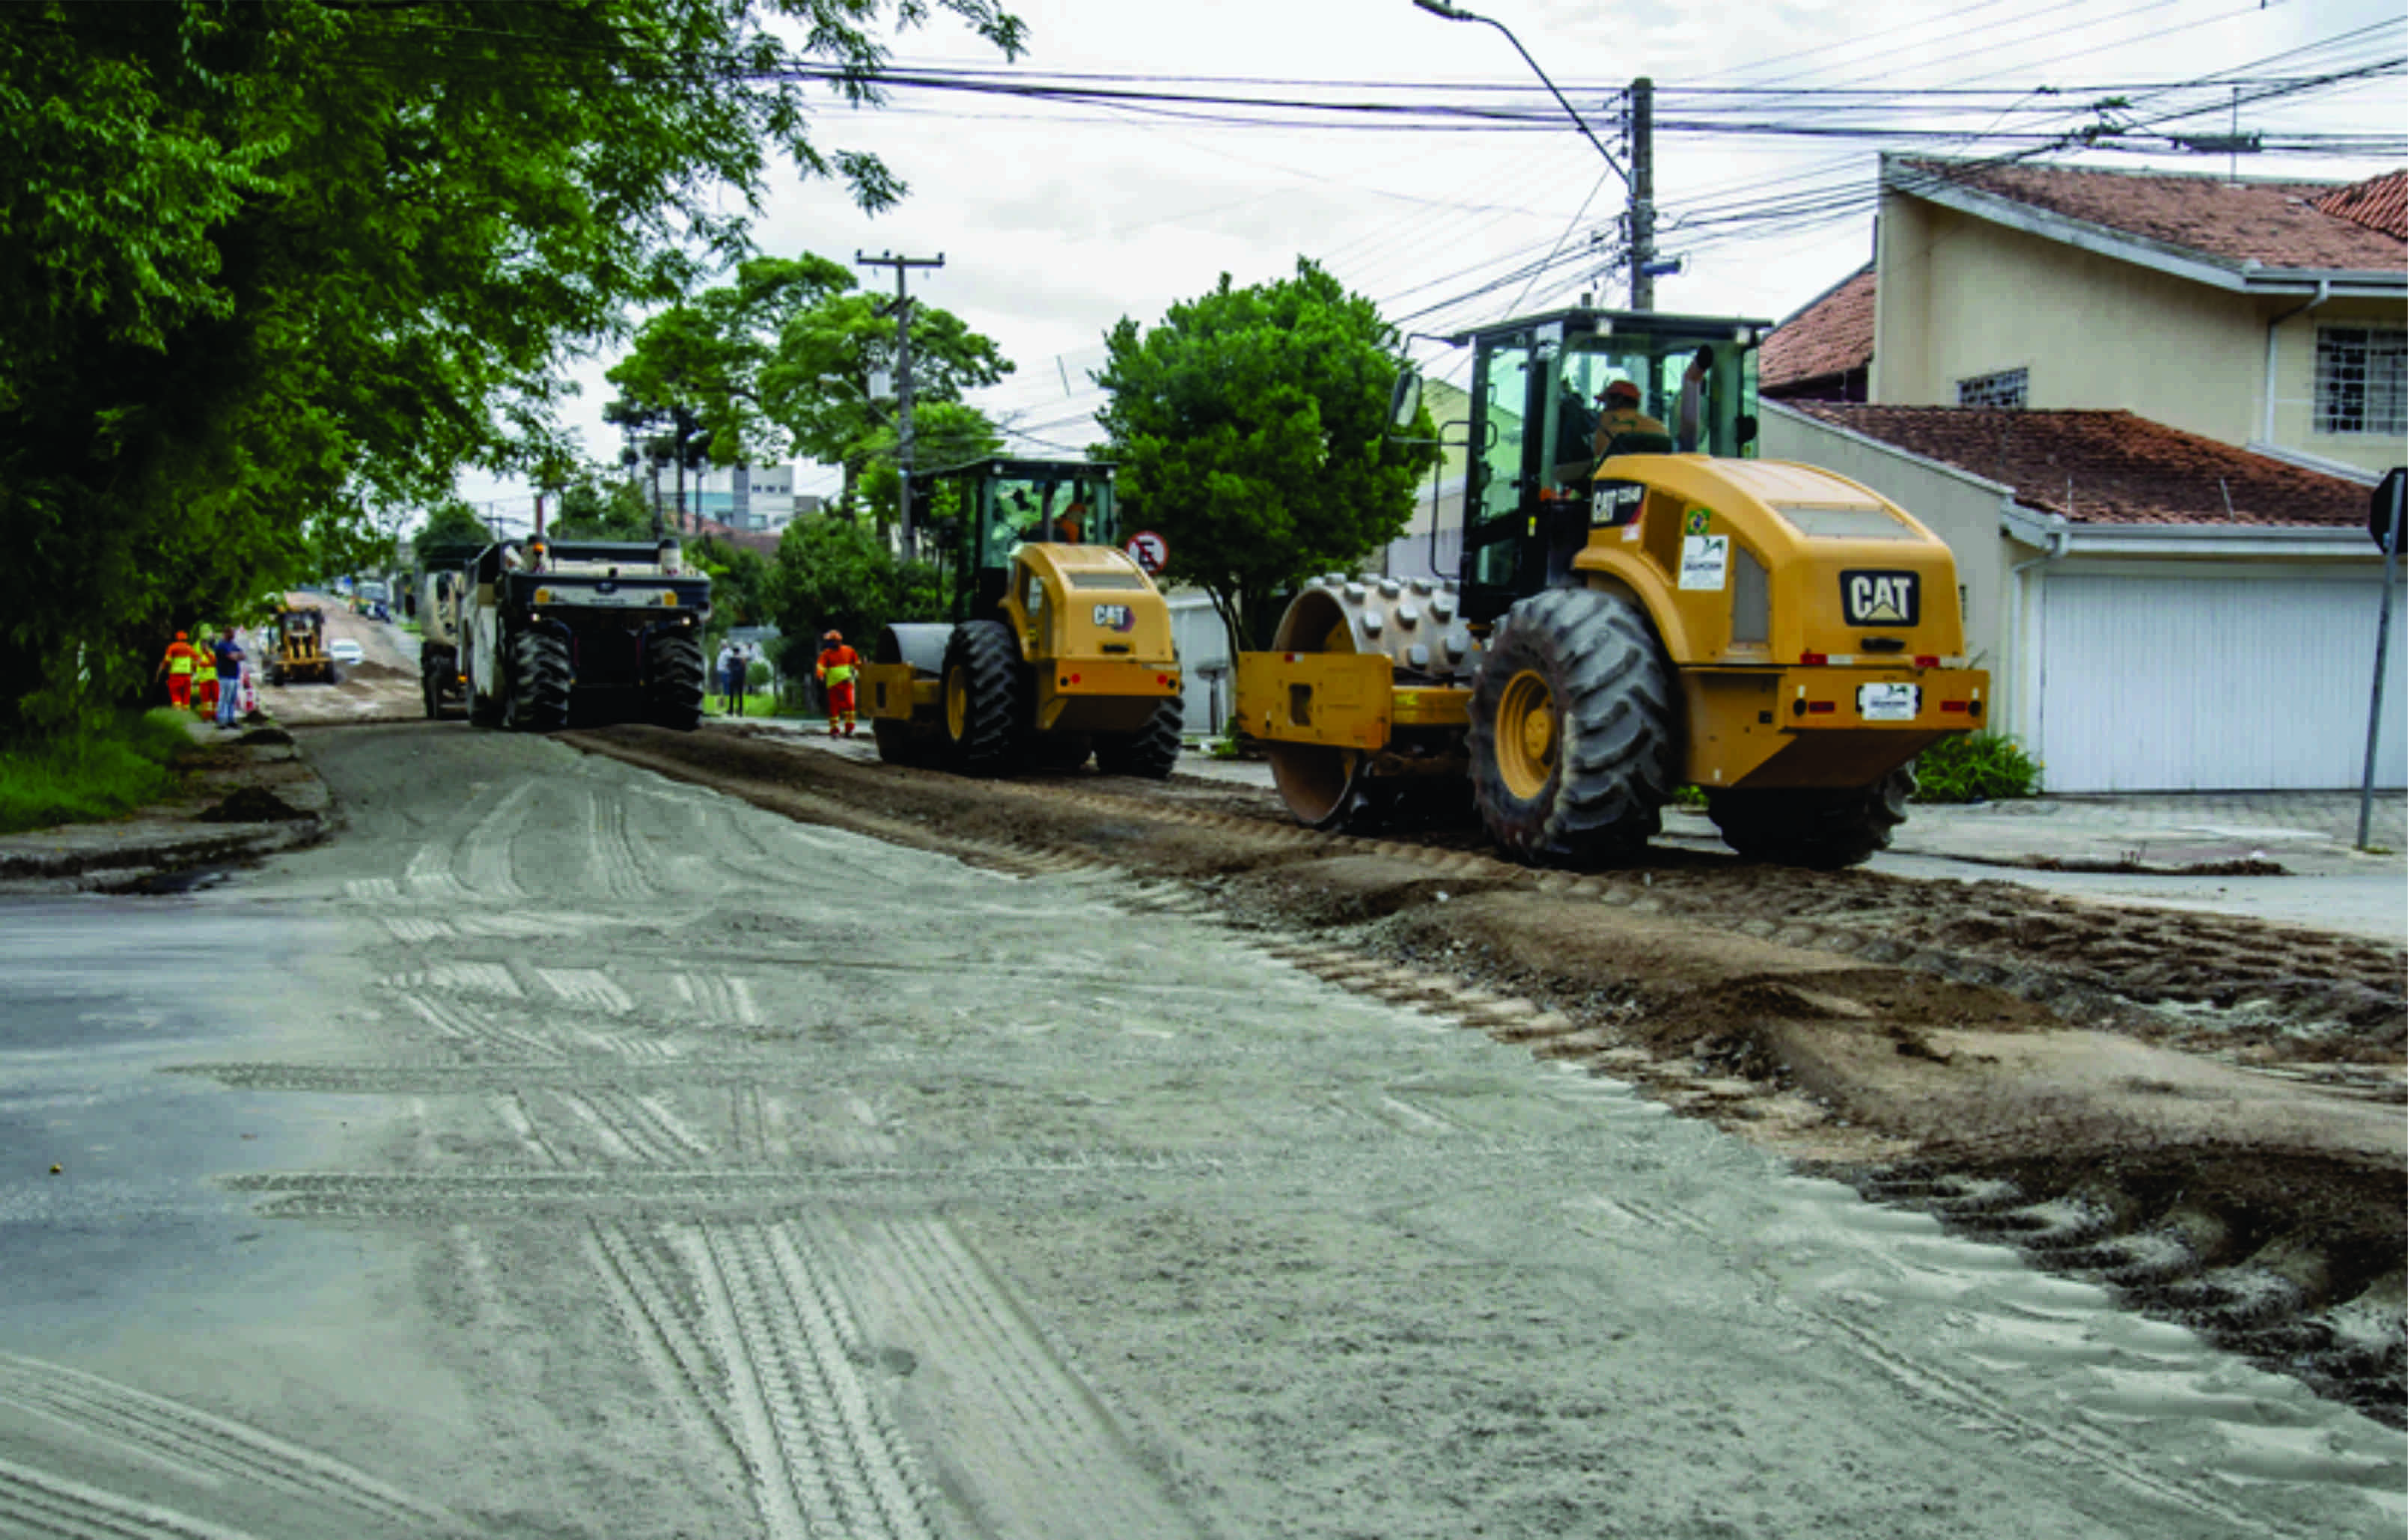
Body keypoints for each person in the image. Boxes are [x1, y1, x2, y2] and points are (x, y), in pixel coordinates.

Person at [1591, 378, 1667, 460]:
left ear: (1617, 400)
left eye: (1605, 403)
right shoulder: (1658, 426)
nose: (1604, 409)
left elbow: (1599, 457)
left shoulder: (1606, 421)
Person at [815, 629, 861, 739]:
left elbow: (857, 664)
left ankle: (849, 729)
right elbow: (820, 666)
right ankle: (834, 730)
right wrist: (820, 675)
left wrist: (858, 674)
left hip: (847, 683)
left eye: (830, 641)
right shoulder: (826, 654)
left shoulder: (849, 651)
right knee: (834, 708)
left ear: (837, 641)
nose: (828, 644)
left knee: (850, 706)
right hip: (833, 685)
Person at [212, 626, 246, 730]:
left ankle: (231, 720)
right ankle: (222, 721)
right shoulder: (221, 646)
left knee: (232, 699)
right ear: (226, 634)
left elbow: (243, 655)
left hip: (234, 675)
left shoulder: (232, 644)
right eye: (232, 633)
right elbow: (232, 657)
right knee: (224, 698)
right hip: (225, 675)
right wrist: (236, 656)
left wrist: (236, 655)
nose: (234, 635)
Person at [157, 632, 201, 711]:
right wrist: (193, 669)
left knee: (175, 692)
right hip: (187, 674)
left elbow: (167, 660)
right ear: (186, 639)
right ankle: (186, 711)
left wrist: (165, 669)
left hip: (175, 674)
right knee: (186, 693)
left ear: (176, 638)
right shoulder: (190, 648)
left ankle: (178, 711)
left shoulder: (172, 647)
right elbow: (198, 660)